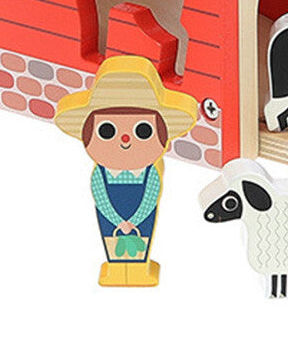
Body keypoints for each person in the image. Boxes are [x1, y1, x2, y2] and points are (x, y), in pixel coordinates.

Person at [54, 55, 197, 286]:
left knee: (143, 238)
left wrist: (134, 220)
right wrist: (119, 221)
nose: (125, 139)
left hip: (142, 215)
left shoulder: (150, 172)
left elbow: (151, 196)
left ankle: (139, 270)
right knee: (111, 239)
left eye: (143, 130)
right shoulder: (101, 174)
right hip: (111, 216)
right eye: (107, 131)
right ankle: (116, 269)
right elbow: (100, 197)